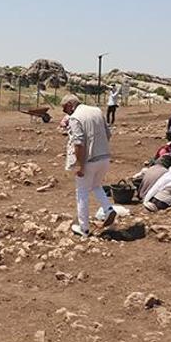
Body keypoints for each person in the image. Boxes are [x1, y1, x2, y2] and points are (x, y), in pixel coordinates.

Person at [61, 94, 117, 237]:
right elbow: (108, 134)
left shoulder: (75, 117)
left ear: (70, 105)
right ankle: (108, 209)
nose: (64, 111)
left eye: (64, 108)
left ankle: (84, 228)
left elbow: (78, 143)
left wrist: (80, 166)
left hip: (89, 161)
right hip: (104, 158)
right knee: (95, 185)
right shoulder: (97, 111)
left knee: (82, 192)